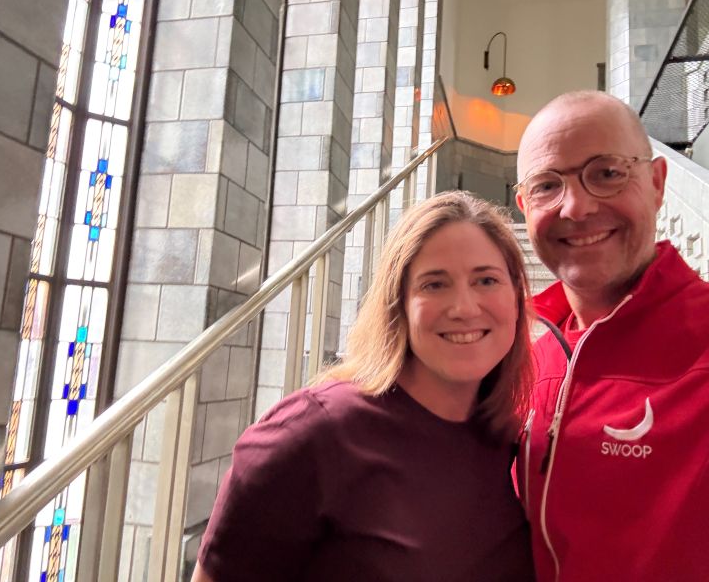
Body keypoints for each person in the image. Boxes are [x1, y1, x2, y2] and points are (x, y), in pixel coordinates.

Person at [514, 90, 709, 581]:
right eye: (547, 186)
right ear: (523, 205)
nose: (575, 207)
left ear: (658, 183)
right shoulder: (526, 363)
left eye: (607, 173)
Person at [192, 191, 537, 582]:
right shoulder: (312, 434)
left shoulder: (508, 436)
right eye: (434, 284)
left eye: (486, 280)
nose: (464, 307)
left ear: (516, 298)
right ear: (399, 304)